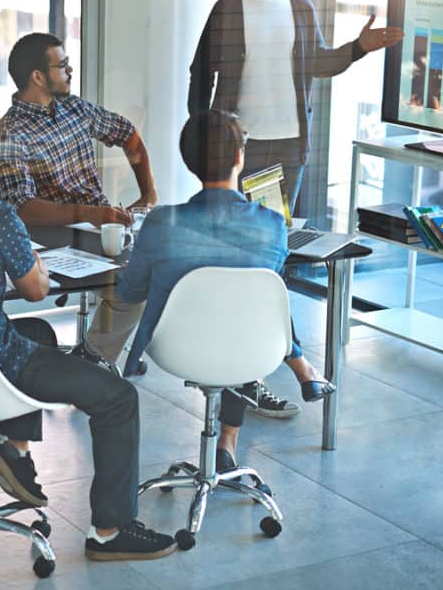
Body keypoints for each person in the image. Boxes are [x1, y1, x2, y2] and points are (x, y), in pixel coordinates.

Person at [0, 99, 177, 562]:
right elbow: (33, 288)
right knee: (119, 398)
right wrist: (34, 260)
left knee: (40, 334)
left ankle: (15, 451)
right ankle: (110, 530)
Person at [187, 0, 400, 415]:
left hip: (288, 151)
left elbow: (320, 65)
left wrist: (359, 48)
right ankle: (263, 370)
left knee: (268, 262)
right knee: (245, 264)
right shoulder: (228, 10)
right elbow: (201, 76)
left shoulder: (300, 9)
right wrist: (202, 141)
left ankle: (253, 372)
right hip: (239, 152)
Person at [116, 109, 332, 472]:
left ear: (188, 162)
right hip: (249, 346)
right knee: (240, 321)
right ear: (239, 157)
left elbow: (130, 293)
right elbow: (265, 302)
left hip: (176, 349)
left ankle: (227, 443)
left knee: (232, 320)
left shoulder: (160, 223)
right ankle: (244, 423)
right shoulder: (272, 225)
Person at [0, 32, 157, 373]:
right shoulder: (9, 133)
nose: (70, 70)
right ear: (38, 76)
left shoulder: (74, 107)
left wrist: (148, 194)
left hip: (98, 228)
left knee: (146, 276)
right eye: (63, 65)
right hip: (49, 241)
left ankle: (94, 354)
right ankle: (100, 355)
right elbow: (21, 207)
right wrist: (91, 214)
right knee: (131, 286)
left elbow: (128, 134)